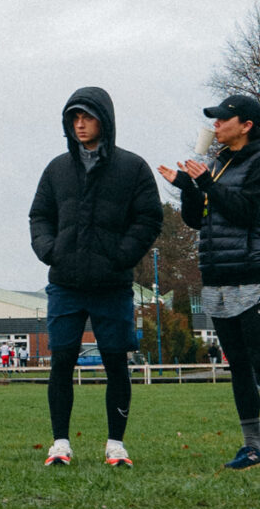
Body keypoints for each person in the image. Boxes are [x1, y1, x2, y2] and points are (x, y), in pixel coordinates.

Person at [27, 87, 162, 469]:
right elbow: (39, 215)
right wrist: (50, 250)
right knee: (61, 362)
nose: (80, 124)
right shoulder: (56, 169)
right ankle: (60, 444)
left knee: (116, 362)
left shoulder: (133, 167)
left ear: (105, 120)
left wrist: (121, 256)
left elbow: (149, 218)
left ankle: (116, 445)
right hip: (65, 284)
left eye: (87, 116)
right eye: (74, 117)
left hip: (112, 285)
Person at [159, 91, 260, 470]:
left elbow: (248, 211)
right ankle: (252, 448)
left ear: (246, 125)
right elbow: (197, 220)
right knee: (238, 367)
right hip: (216, 277)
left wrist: (207, 184)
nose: (215, 125)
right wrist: (189, 187)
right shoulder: (218, 163)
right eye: (214, 119)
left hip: (252, 274)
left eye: (222, 119)